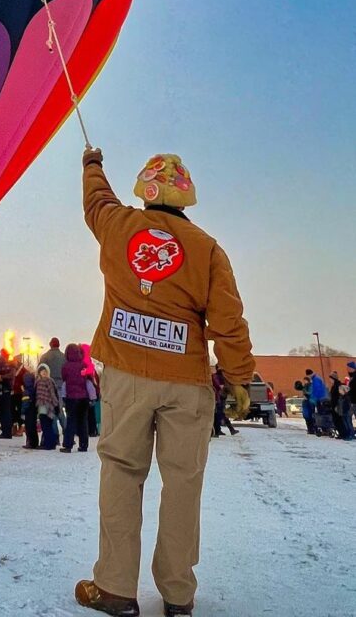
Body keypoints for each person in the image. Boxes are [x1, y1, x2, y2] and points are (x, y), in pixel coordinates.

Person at [75, 149, 254, 617]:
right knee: (182, 485)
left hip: (127, 374)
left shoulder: (117, 225)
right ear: (186, 196)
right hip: (186, 381)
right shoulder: (208, 249)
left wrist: (92, 164)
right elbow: (228, 321)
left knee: (120, 472)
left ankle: (114, 587)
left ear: (145, 188)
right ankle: (177, 594)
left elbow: (96, 201)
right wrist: (237, 377)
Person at [60, 344, 91, 453]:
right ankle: (84, 445)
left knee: (71, 421)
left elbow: (64, 378)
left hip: (71, 397)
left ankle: (68, 445)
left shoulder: (65, 366)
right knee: (83, 421)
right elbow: (88, 377)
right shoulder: (83, 365)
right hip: (84, 397)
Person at [0, 348, 16, 439]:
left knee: (4, 411)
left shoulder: (7, 364)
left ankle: (6, 432)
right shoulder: (6, 364)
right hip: (4, 390)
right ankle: (5, 430)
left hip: (4, 389)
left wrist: (1, 377)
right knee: (4, 411)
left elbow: (11, 375)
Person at [35, 364, 60, 449]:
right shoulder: (38, 381)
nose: (44, 373)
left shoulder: (48, 381)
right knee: (46, 425)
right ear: (39, 372)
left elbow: (52, 394)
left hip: (47, 405)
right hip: (42, 405)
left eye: (45, 371)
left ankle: (49, 444)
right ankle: (50, 443)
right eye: (42, 371)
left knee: (46, 425)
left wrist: (56, 405)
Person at [211, 366, 239, 437]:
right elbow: (218, 386)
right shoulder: (217, 376)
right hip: (219, 398)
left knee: (219, 414)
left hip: (219, 397)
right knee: (220, 414)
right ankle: (222, 430)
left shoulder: (218, 376)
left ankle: (220, 430)